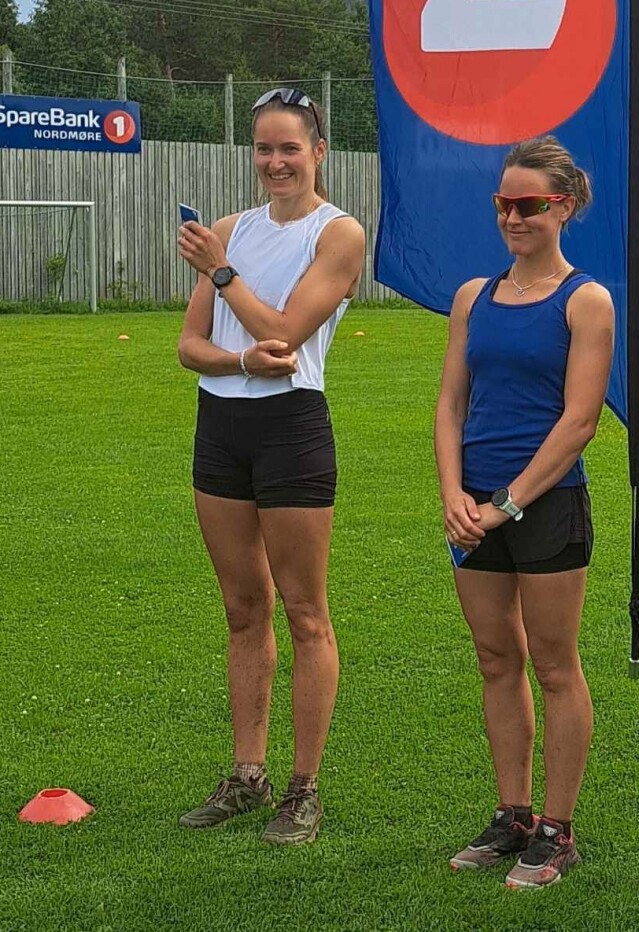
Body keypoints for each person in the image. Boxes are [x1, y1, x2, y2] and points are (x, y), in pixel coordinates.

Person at [175, 87, 365, 845]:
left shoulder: (338, 233)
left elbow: (286, 334)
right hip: (219, 424)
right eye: (264, 148)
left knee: (305, 611)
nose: (276, 162)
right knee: (241, 609)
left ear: (319, 152)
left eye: (291, 148)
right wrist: (241, 360)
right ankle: (247, 776)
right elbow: (190, 348)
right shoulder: (229, 228)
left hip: (292, 427)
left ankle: (303, 788)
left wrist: (224, 275)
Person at [434, 136, 614, 889]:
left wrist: (508, 504)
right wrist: (453, 494)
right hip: (473, 508)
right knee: (494, 659)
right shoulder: (475, 296)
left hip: (543, 507)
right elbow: (451, 401)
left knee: (552, 664)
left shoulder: (587, 300)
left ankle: (559, 831)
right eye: (504, 204)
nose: (514, 217)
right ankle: (513, 815)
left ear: (563, 206)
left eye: (530, 205)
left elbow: (580, 421)